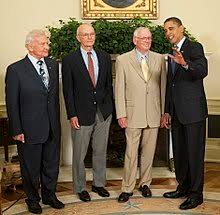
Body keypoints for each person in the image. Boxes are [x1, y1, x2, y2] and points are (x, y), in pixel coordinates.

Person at [5, 29, 64, 214]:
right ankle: (32, 199)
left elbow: (53, 98)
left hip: (52, 127)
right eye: (43, 44)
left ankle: (49, 195)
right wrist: (16, 129)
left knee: (51, 165)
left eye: (47, 43)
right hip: (29, 129)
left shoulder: (53, 65)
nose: (47, 46)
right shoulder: (15, 69)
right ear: (30, 46)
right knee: (30, 167)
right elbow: (11, 103)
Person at [62, 23, 113, 202]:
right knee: (80, 153)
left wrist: (110, 107)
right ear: (78, 37)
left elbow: (108, 85)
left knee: (100, 150)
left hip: (103, 112)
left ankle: (99, 184)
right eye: (85, 34)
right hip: (81, 113)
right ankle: (80, 187)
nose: (89, 37)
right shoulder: (69, 60)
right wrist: (72, 114)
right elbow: (67, 91)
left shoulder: (104, 57)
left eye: (92, 34)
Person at [115, 27, 167, 203]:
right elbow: (119, 89)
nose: (147, 41)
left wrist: (163, 113)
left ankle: (145, 184)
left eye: (149, 38)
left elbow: (163, 88)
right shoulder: (123, 60)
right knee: (131, 152)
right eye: (143, 38)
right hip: (131, 114)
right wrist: (121, 114)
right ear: (134, 40)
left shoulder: (160, 59)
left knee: (149, 152)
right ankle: (127, 188)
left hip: (153, 113)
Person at [161, 17, 208, 210]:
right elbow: (170, 86)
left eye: (171, 28)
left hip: (193, 112)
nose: (168, 33)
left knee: (194, 154)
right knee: (180, 153)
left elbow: (202, 70)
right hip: (176, 113)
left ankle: (196, 195)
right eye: (165, 30)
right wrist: (167, 110)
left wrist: (185, 64)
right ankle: (183, 187)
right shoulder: (171, 53)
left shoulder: (194, 47)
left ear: (181, 29)